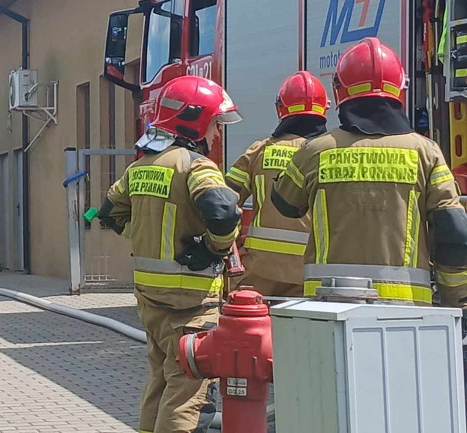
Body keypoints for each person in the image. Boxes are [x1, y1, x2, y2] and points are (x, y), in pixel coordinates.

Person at [273, 37, 467, 306]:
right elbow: (453, 231)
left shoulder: (316, 150)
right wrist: (455, 298)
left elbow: (285, 204)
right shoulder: (427, 152)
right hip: (407, 307)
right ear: (399, 89)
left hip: (328, 303)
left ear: (340, 91)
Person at [97, 75, 243, 433]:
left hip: (150, 300)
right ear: (194, 121)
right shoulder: (196, 166)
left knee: (161, 382)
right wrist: (211, 248)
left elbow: (108, 214)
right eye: (214, 124)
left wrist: (144, 236)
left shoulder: (140, 168)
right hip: (190, 302)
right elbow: (224, 213)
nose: (217, 134)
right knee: (188, 392)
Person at [224, 71, 329, 297]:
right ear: (324, 110)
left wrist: (233, 257)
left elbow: (224, 204)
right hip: (313, 274)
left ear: (280, 109)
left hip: (258, 274)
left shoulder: (258, 151)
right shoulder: (330, 155)